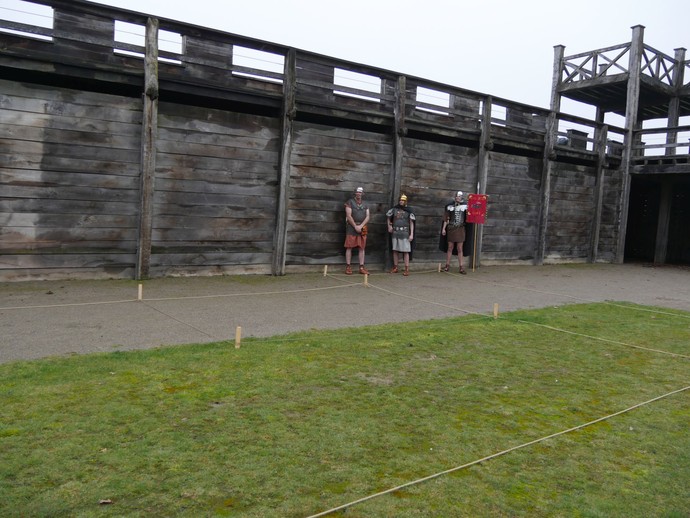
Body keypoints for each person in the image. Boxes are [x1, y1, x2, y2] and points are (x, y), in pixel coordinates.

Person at [386, 193, 415, 276]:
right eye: (400, 200)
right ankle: (395, 267)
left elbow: (411, 223)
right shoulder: (394, 209)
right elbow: (388, 217)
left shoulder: (409, 211)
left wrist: (411, 234)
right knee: (395, 250)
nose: (401, 201)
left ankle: (406, 269)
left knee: (406, 251)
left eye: (403, 200)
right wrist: (389, 226)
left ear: (405, 201)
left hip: (405, 233)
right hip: (395, 232)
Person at [344, 186, 370, 275]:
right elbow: (348, 215)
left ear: (362, 193)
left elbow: (368, 216)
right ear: (355, 193)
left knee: (362, 247)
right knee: (349, 247)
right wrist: (355, 226)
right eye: (357, 192)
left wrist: (361, 226)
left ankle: (361, 267)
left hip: (363, 227)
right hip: (352, 227)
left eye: (360, 192)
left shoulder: (366, 204)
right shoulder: (350, 202)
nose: (359, 194)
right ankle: (348, 266)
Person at [441, 190, 467, 274]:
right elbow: (446, 218)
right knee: (450, 247)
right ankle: (447, 265)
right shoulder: (450, 206)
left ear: (461, 197)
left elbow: (471, 216)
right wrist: (443, 229)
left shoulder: (465, 206)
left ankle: (461, 267)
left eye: (459, 196)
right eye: (456, 196)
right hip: (451, 229)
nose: (457, 197)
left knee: (460, 248)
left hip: (460, 229)